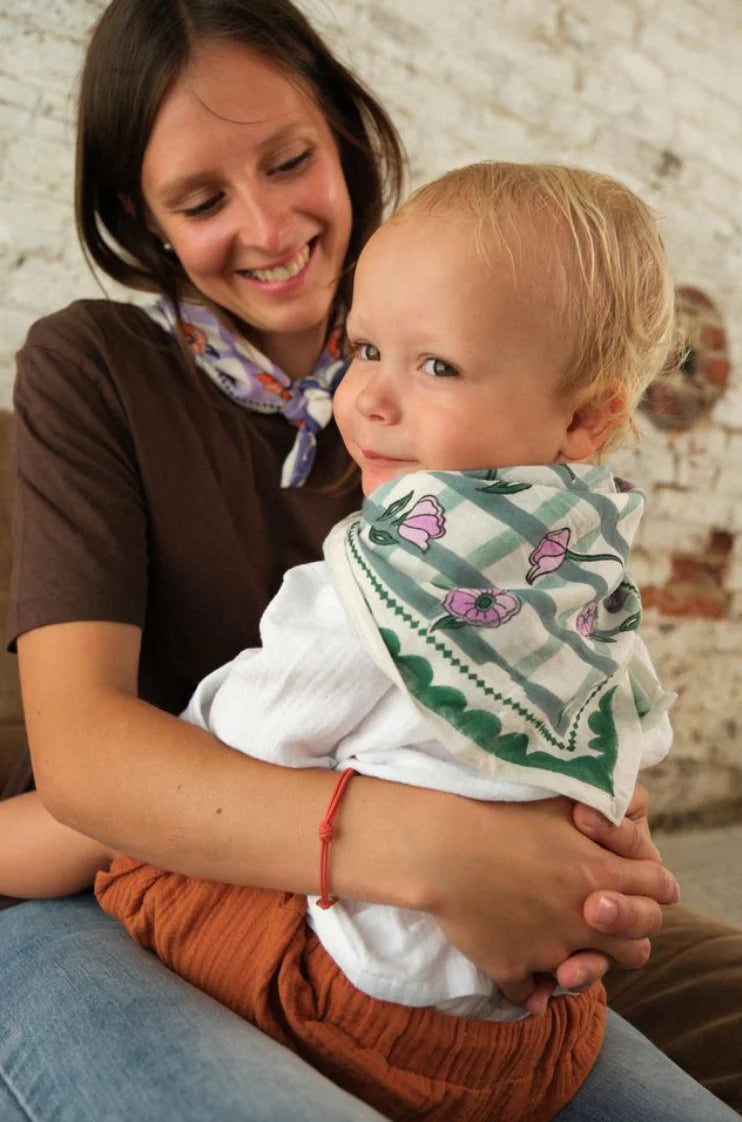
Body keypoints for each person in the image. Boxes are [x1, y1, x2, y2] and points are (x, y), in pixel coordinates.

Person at [0, 1, 739, 1119]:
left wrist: (592, 842)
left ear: (344, 140)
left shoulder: (481, 381)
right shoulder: (92, 366)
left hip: (409, 924)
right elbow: (85, 760)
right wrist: (431, 848)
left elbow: (566, 680)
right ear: (145, 221)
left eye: (289, 161)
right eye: (199, 201)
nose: (265, 225)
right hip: (109, 890)